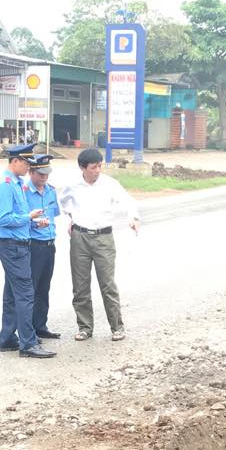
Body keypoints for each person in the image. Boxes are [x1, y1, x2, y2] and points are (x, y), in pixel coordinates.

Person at [60, 147, 140, 342]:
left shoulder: (110, 184)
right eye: (94, 167)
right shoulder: (73, 185)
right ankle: (85, 327)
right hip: (80, 238)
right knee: (80, 286)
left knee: (107, 284)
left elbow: (127, 201)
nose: (97, 170)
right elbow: (62, 203)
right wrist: (71, 218)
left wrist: (133, 218)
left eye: (99, 166)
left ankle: (117, 327)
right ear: (82, 167)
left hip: (104, 238)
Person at [0, 141, 55, 358]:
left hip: (19, 244)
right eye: (26, 163)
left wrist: (33, 223)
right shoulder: (5, 185)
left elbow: (17, 219)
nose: (29, 168)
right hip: (13, 247)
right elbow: (3, 219)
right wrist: (27, 217)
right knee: (26, 294)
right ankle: (28, 343)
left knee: (12, 294)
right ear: (15, 161)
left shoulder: (16, 183)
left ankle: (8, 337)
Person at [24, 154, 62, 341]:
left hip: (49, 245)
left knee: (44, 288)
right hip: (33, 246)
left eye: (46, 174)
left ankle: (40, 325)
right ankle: (28, 330)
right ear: (31, 172)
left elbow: (54, 215)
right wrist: (34, 225)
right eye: (40, 174)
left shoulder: (51, 191)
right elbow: (20, 220)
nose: (44, 178)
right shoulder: (23, 192)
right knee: (30, 288)